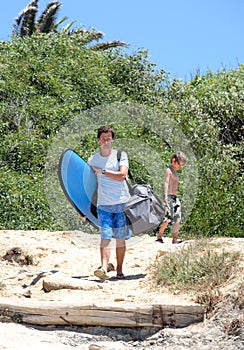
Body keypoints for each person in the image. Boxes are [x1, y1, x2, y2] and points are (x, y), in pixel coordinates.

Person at [88, 126, 131, 280]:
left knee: (120, 238)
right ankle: (104, 268)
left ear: (112, 139)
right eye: (103, 138)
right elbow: (88, 186)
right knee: (105, 236)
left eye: (109, 138)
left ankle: (119, 270)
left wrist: (103, 171)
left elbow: (122, 175)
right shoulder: (92, 160)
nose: (106, 141)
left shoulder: (120, 155)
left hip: (121, 203)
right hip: (103, 204)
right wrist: (83, 210)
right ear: (99, 140)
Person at [156, 151, 187, 244]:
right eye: (179, 164)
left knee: (177, 218)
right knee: (168, 217)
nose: (180, 167)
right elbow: (166, 183)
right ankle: (159, 235)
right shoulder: (168, 171)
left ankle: (175, 239)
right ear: (174, 161)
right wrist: (165, 196)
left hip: (175, 197)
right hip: (169, 197)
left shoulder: (175, 173)